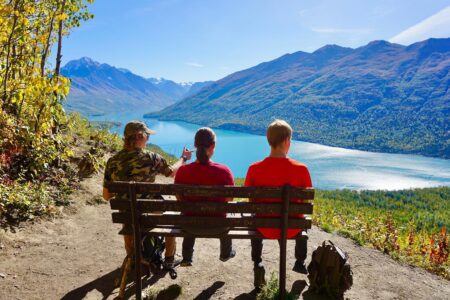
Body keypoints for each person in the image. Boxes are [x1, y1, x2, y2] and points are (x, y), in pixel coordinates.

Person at [102, 120, 192, 267]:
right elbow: (171, 173)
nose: (148, 139)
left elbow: (106, 196)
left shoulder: (112, 161)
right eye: (147, 136)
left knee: (128, 216)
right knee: (170, 216)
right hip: (149, 214)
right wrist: (184, 158)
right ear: (139, 136)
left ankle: (133, 258)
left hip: (127, 215)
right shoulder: (152, 158)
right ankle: (169, 258)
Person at [244, 119, 312, 289]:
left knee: (255, 216)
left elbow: (250, 201)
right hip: (291, 227)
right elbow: (305, 201)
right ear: (287, 140)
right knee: (302, 216)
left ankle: (258, 263)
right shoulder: (301, 168)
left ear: (269, 141)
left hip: (263, 226)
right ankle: (300, 261)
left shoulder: (254, 168)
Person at [174, 127, 236, 266]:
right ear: (213, 146)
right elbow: (230, 199)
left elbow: (179, 199)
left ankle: (187, 257)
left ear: (195, 146)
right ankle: (226, 253)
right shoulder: (224, 171)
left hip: (189, 225)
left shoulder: (183, 171)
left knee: (189, 212)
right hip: (219, 225)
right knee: (227, 215)